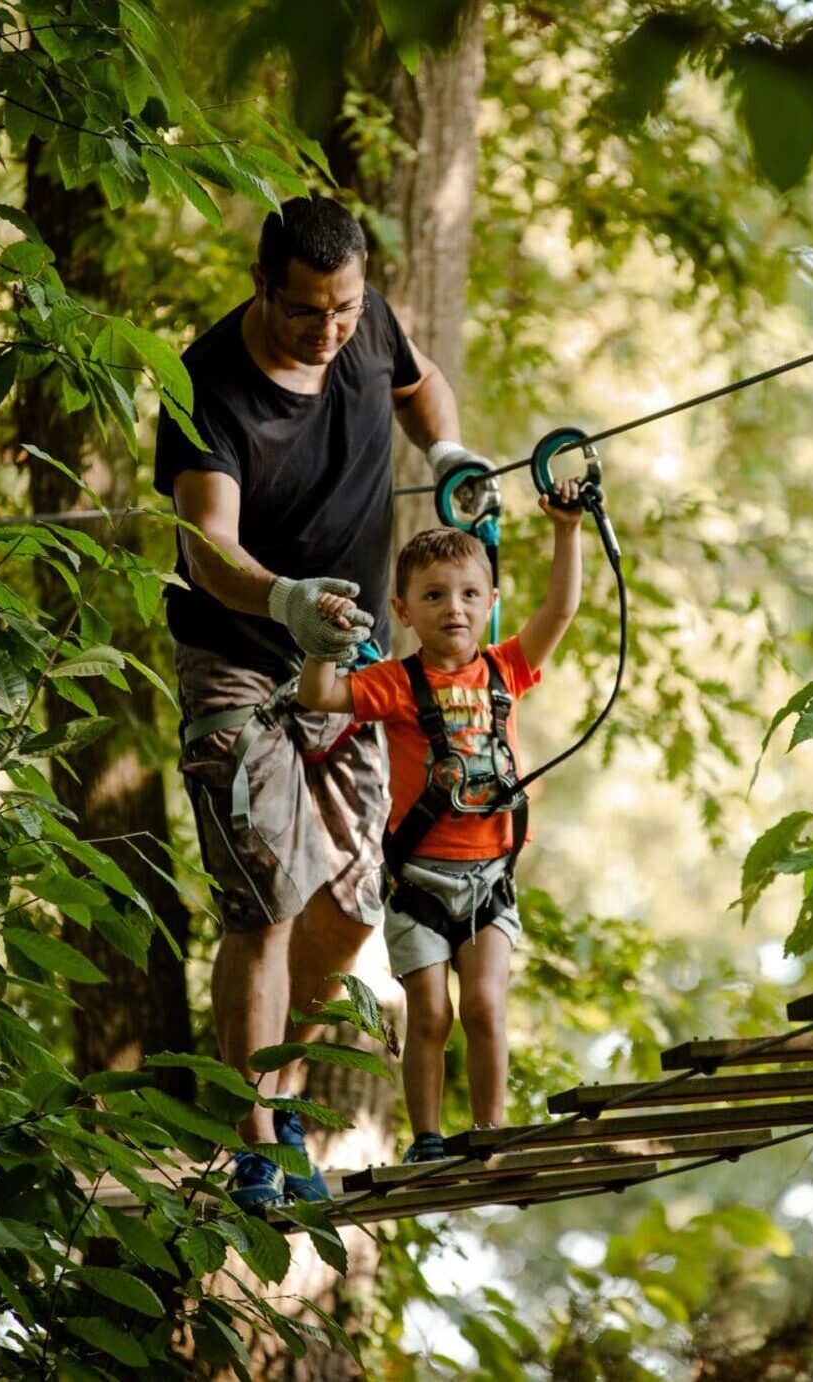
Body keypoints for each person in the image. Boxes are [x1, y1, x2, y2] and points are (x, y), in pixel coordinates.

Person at [153, 194, 498, 1210]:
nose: (331, 330)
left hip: (355, 667)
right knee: (262, 891)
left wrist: (446, 452)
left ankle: (287, 1095)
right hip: (239, 655)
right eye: (309, 312)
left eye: (343, 309)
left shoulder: (366, 318)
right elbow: (206, 544)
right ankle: (254, 1135)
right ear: (263, 285)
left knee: (350, 904)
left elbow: (417, 382)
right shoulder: (205, 383)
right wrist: (283, 599)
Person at [297, 482, 583, 1161]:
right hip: (420, 882)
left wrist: (567, 531)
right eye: (432, 596)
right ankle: (426, 1141)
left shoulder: (507, 669)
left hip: (490, 881)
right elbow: (319, 694)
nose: (452, 607)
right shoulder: (394, 684)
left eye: (467, 594)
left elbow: (560, 610)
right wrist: (319, 642)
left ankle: (490, 1135)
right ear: (402, 610)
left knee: (483, 1006)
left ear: (488, 604)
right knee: (429, 1014)